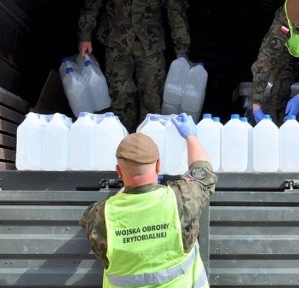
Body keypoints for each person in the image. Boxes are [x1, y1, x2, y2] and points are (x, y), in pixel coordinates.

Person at [80, 113, 216, 288]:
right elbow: (203, 172)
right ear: (158, 166)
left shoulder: (100, 216)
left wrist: (127, 187)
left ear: (119, 172)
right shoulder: (180, 200)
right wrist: (191, 136)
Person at [77, 0, 191, 132]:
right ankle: (124, 143)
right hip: (117, 43)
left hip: (151, 46)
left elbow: (176, 14)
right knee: (120, 94)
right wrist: (85, 35)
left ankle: (148, 145)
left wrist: (181, 51)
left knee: (152, 96)